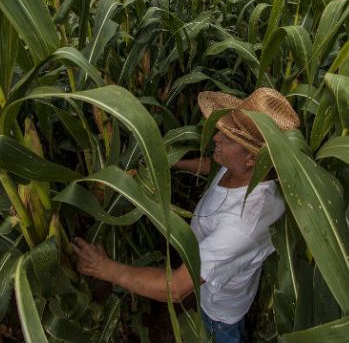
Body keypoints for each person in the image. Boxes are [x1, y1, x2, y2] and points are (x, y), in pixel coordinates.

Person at [72, 88, 300, 342]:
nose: (215, 138)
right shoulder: (246, 171)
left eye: (227, 137)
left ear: (251, 160)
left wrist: (105, 269)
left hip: (220, 318)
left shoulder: (241, 226)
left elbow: (176, 288)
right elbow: (212, 166)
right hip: (212, 281)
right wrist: (172, 162)